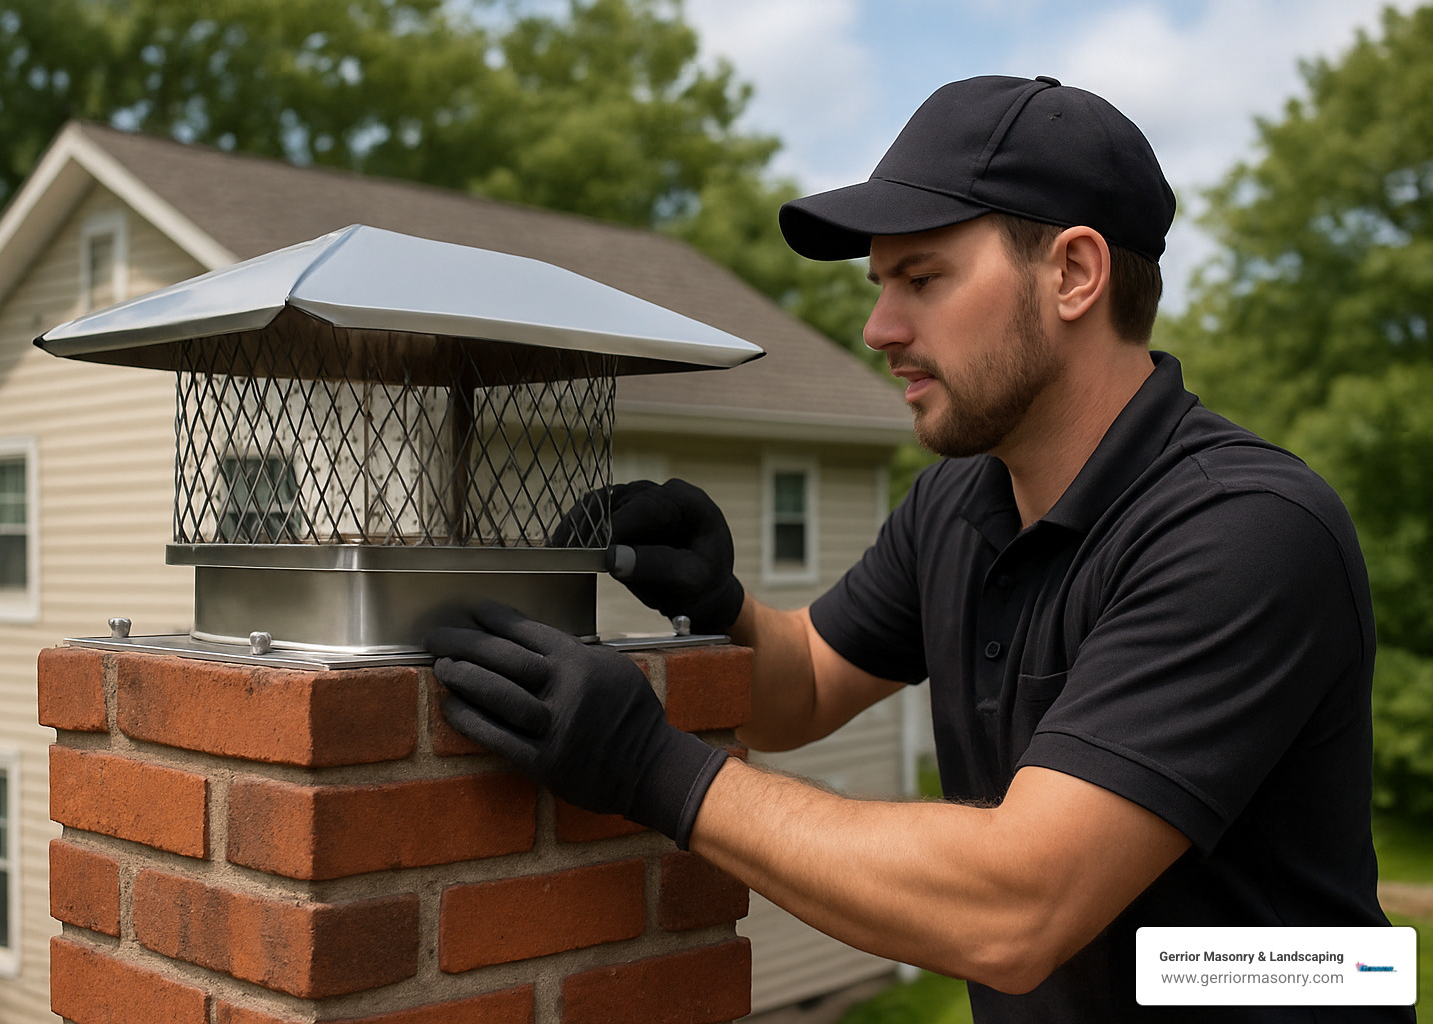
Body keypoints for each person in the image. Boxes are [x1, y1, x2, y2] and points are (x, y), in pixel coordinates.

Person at [427, 75, 1409, 1022]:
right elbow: (804, 683)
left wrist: (652, 767)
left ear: (1073, 273)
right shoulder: (960, 501)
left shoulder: (1243, 530)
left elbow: (1017, 906)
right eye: (881, 284)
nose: (877, 327)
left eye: (922, 278)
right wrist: (720, 607)